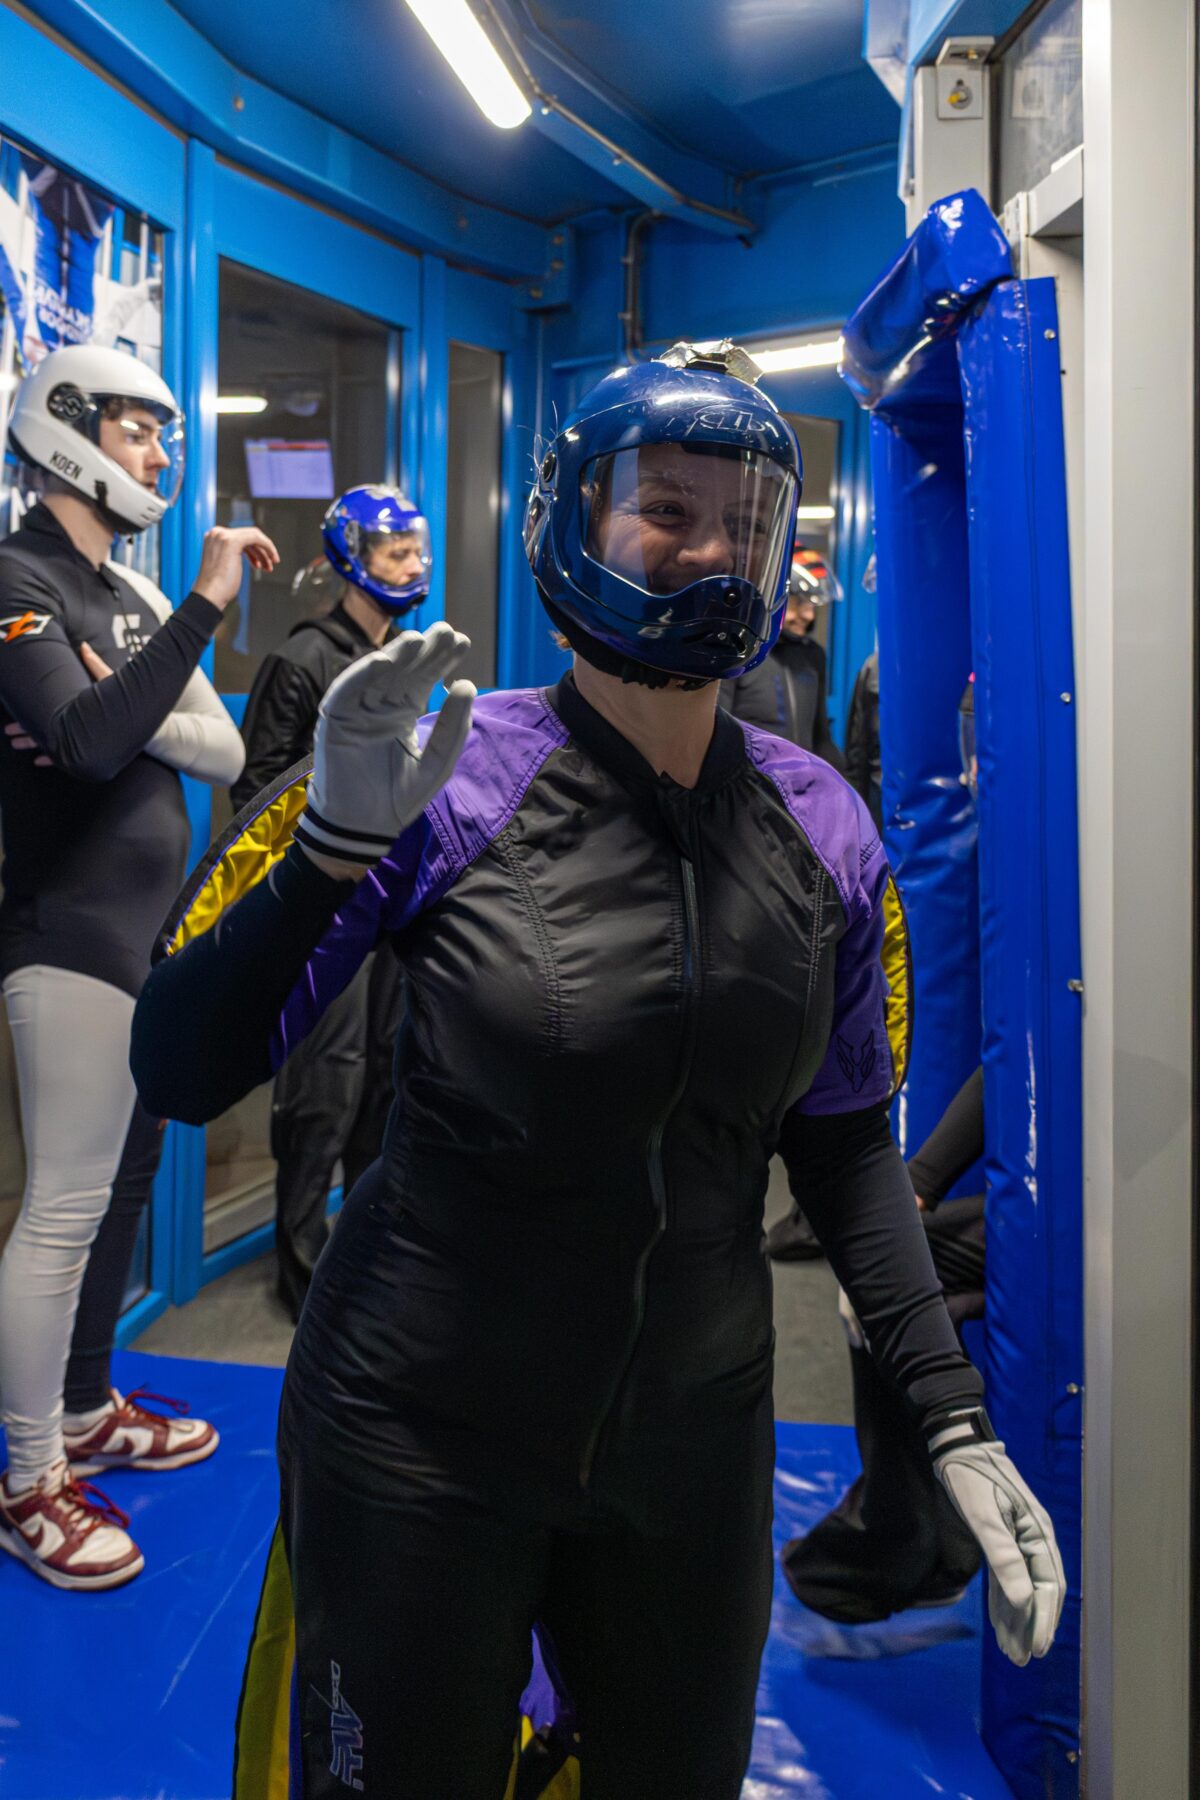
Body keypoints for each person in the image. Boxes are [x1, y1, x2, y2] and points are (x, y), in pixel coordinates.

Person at [132, 340, 1063, 1799]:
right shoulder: (445, 772)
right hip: (416, 1432)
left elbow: (843, 1146)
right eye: (665, 509)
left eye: (743, 519)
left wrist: (948, 1411)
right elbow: (179, 1066)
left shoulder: (824, 826)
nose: (709, 547)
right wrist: (327, 851)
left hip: (692, 1445)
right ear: (574, 518)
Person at [0, 343, 278, 1591]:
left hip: (149, 933)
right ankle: (28, 1480)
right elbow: (86, 739)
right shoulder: (15, 576)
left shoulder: (121, 590)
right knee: (62, 1208)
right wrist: (202, 610)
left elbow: (217, 747)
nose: (162, 454)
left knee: (121, 1186)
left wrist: (136, 694)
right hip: (66, 932)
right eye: (140, 430)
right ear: (68, 428)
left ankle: (81, 1407)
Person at [231, 485, 428, 1319]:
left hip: (394, 903)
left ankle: (361, 1259)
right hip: (325, 912)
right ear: (353, 558)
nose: (412, 565)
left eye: (417, 551)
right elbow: (255, 791)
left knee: (385, 1080)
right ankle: (302, 1270)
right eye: (395, 553)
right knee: (325, 1088)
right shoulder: (303, 659)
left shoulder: (409, 656)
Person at [782, 1064, 988, 1622]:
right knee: (877, 1275)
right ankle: (931, 1544)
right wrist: (918, 1185)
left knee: (886, 1282)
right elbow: (1013, 1064)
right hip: (1077, 1206)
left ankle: (897, 1543)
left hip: (1104, 1233)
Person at [720, 540, 844, 768]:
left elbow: (821, 737)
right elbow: (718, 734)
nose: (808, 615)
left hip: (800, 783)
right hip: (749, 781)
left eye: (812, 605)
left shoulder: (812, 655)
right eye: (799, 603)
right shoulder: (738, 650)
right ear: (774, 596)